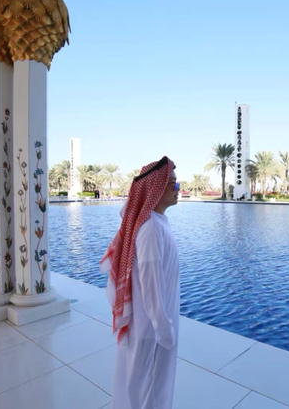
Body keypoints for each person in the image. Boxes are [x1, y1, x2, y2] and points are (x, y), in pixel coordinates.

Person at [101, 156, 181, 409]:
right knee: (150, 388)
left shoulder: (157, 224)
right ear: (156, 189)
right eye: (174, 184)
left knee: (151, 385)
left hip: (154, 325)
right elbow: (150, 285)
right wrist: (164, 328)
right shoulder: (151, 230)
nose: (178, 189)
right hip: (152, 330)